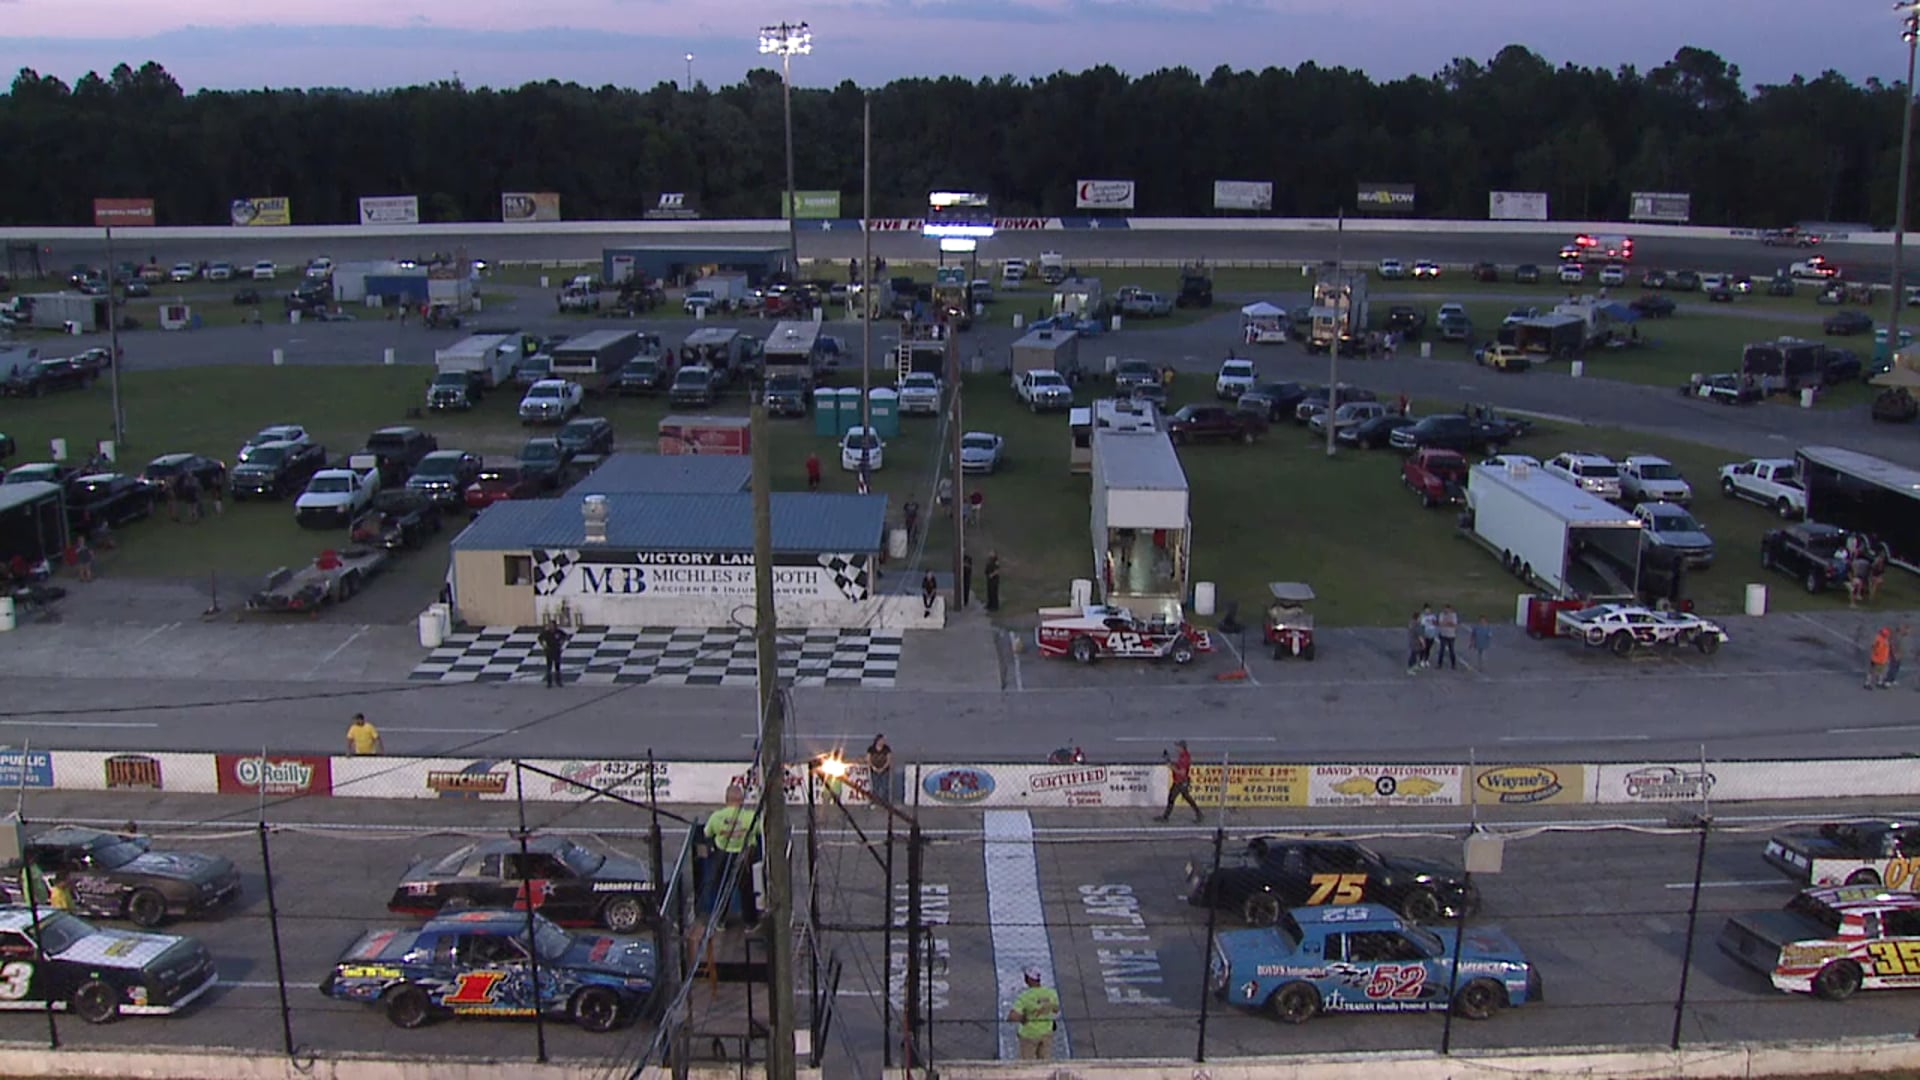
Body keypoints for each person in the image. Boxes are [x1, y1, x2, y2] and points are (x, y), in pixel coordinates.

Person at [704, 785, 763, 925]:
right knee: (747, 891)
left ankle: (720, 921)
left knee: (722, 889)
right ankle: (750, 923)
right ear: (742, 800)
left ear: (726, 799)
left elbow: (707, 833)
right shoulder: (750, 817)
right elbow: (760, 831)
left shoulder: (716, 817)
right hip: (744, 857)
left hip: (722, 856)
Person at [1008, 967, 1060, 1060]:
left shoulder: (1025, 997)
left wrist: (1023, 1019)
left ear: (1028, 979)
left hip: (1029, 1035)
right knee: (1045, 1061)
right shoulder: (1051, 993)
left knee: (1027, 1064)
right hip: (1046, 1032)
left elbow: (1012, 1016)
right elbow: (1056, 1009)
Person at [1155, 740, 1202, 823]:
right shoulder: (1182, 756)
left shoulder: (1184, 758)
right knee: (1186, 798)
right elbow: (1178, 767)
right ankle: (1199, 814)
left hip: (1180, 782)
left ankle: (1165, 817)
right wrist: (1169, 761)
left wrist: (1171, 766)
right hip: (1180, 781)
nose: (1176, 748)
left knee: (1172, 798)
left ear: (1182, 748)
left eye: (1178, 747)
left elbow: (1181, 772)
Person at [538, 621, 570, 688]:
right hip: (549, 651)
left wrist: (562, 642)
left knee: (557, 667)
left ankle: (558, 682)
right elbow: (540, 638)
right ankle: (549, 683)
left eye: (552, 625)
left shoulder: (558, 632)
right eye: (550, 625)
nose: (551, 627)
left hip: (557, 651)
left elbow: (565, 636)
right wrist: (544, 645)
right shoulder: (546, 633)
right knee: (549, 668)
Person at [865, 734, 895, 807]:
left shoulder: (886, 749)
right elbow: (868, 759)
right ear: (877, 741)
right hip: (874, 771)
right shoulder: (871, 749)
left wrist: (883, 768)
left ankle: (885, 802)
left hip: (884, 771)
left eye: (883, 740)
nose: (883, 742)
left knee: (885, 786)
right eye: (881, 740)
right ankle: (874, 801)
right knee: (875, 787)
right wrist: (873, 767)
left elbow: (889, 760)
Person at [1436, 604, 1460, 670]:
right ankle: (1439, 664)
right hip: (1443, 634)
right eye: (1445, 609)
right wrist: (1449, 623)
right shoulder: (1441, 614)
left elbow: (1454, 625)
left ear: (1450, 609)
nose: (1446, 610)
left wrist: (1446, 623)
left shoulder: (1454, 615)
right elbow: (1440, 623)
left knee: (1451, 650)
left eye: (1447, 609)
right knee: (1441, 650)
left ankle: (1453, 665)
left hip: (1451, 635)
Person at [1418, 604, 1438, 668]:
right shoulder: (1422, 616)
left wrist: (1434, 622)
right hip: (1424, 634)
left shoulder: (1433, 616)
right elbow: (1420, 625)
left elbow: (1436, 623)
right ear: (1424, 610)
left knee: (1428, 648)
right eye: (1427, 609)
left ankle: (1426, 660)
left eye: (1429, 609)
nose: (1428, 611)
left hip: (1431, 634)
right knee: (1423, 647)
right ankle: (1421, 660)